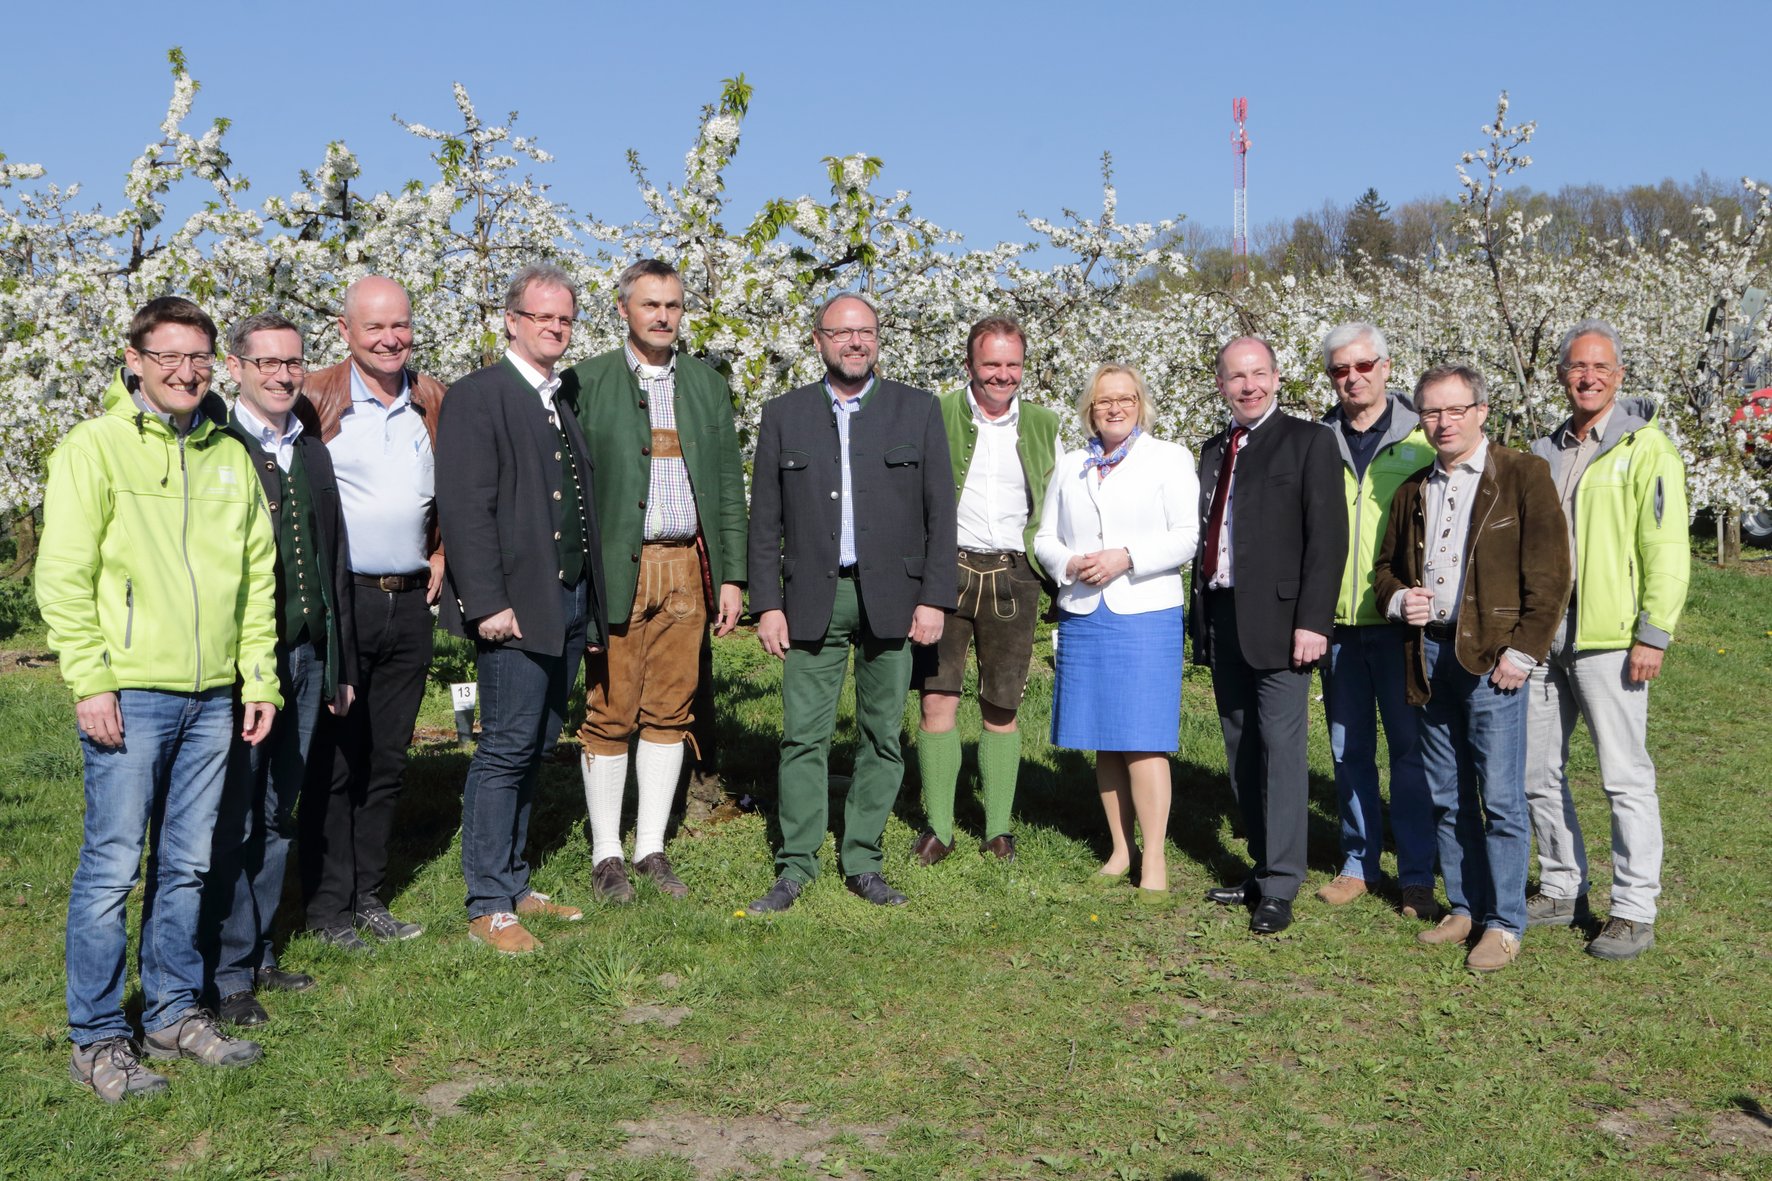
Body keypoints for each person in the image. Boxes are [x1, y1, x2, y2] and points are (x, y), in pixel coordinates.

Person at [37, 296, 280, 1101]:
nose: (185, 371)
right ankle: (98, 1036)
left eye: (199, 356)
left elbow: (255, 580)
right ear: (134, 360)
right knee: (112, 867)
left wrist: (258, 676)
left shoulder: (229, 455)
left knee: (187, 864)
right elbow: (64, 575)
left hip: (212, 696)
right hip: (130, 693)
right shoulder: (94, 447)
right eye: (168, 356)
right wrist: (91, 677)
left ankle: (174, 1009)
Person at [744, 293, 957, 914]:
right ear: (819, 340)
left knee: (882, 736)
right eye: (841, 332)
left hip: (895, 598)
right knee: (802, 738)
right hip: (813, 597)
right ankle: (796, 865)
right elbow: (765, 521)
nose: (855, 342)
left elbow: (941, 514)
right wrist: (768, 604)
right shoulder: (784, 414)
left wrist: (934, 598)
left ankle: (863, 859)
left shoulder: (917, 409)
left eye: (865, 331)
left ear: (878, 338)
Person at [1373, 365, 1570, 972]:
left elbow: (1551, 574)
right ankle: (1463, 907)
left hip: (1493, 659)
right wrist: (1398, 600)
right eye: (1432, 412)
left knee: (1502, 799)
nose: (1443, 422)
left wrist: (1523, 651)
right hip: (1429, 656)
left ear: (1482, 412)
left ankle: (1504, 923)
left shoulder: (1522, 474)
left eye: (1455, 409)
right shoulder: (1413, 489)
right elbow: (1385, 570)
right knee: (1447, 794)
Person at [436, 264, 608, 954]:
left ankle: (513, 880)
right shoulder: (479, 395)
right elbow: (465, 506)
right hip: (513, 605)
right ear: (511, 321)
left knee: (538, 742)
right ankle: (487, 904)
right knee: (506, 746)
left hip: (565, 600)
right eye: (542, 317)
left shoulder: (556, 397)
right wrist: (486, 602)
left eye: (565, 318)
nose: (555, 329)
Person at [570, 260, 747, 902]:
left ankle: (650, 849)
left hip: (685, 570)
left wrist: (732, 578)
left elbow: (727, 486)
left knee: (672, 709)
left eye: (672, 305)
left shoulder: (706, 384)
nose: (663, 316)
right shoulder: (586, 382)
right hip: (620, 565)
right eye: (650, 305)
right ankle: (606, 854)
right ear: (624, 309)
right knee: (610, 708)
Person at [205, 313, 357, 1028]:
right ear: (235, 368)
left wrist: (338, 661)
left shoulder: (311, 450)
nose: (282, 374)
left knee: (277, 811)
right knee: (235, 813)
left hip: (306, 655)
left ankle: (260, 949)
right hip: (244, 663)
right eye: (266, 362)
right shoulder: (218, 446)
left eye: (293, 362)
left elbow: (334, 562)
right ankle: (227, 969)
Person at [1524, 320, 1689, 961]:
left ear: (1619, 377)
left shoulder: (1647, 449)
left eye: (1600, 367)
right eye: (1576, 366)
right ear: (1561, 376)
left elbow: (1666, 547)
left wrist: (1654, 633)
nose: (1587, 377)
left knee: (1624, 777)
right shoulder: (1543, 450)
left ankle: (1633, 910)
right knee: (1536, 772)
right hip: (1543, 638)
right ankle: (1562, 887)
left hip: (1611, 639)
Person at [301, 275, 446, 949]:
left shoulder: (430, 400)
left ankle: (368, 895)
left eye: (401, 325)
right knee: (335, 759)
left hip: (410, 602)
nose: (391, 339)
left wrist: (440, 552)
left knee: (387, 759)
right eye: (375, 327)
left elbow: (452, 489)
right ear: (345, 330)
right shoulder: (314, 400)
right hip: (345, 602)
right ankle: (326, 906)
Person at [1192, 337, 1345, 935]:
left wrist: (1314, 621)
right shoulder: (1214, 449)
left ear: (1277, 378)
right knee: (1240, 748)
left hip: (1284, 625)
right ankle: (1260, 865)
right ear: (1221, 385)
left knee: (1281, 752)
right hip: (1223, 616)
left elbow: (1327, 537)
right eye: (1236, 377)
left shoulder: (1310, 441)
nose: (1248, 386)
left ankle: (1282, 883)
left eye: (1258, 374)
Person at [1033, 364, 1199, 894]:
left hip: (1145, 612)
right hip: (1085, 613)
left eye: (1125, 399)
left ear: (1141, 404)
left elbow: (1187, 536)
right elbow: (1044, 537)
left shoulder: (1169, 458)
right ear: (1090, 408)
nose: (1115, 408)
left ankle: (1155, 859)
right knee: (1104, 738)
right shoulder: (1071, 464)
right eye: (1104, 400)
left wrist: (1126, 556)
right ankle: (1120, 850)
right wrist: (1068, 563)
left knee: (1143, 739)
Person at [911, 316, 1060, 866]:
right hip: (945, 569)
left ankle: (998, 828)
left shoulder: (1044, 423)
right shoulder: (938, 412)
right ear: (970, 364)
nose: (1002, 374)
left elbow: (1055, 499)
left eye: (1012, 364)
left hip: (1015, 573)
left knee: (1003, 701)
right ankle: (939, 827)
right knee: (938, 697)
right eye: (991, 363)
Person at [1315, 322, 1439, 920]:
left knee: (1411, 753)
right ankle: (1358, 863)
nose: (1353, 378)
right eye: (1340, 369)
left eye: (1364, 365)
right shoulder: (1318, 442)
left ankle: (1416, 873)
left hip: (1402, 628)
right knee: (1349, 750)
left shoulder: (1423, 439)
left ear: (1386, 368)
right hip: (1338, 626)